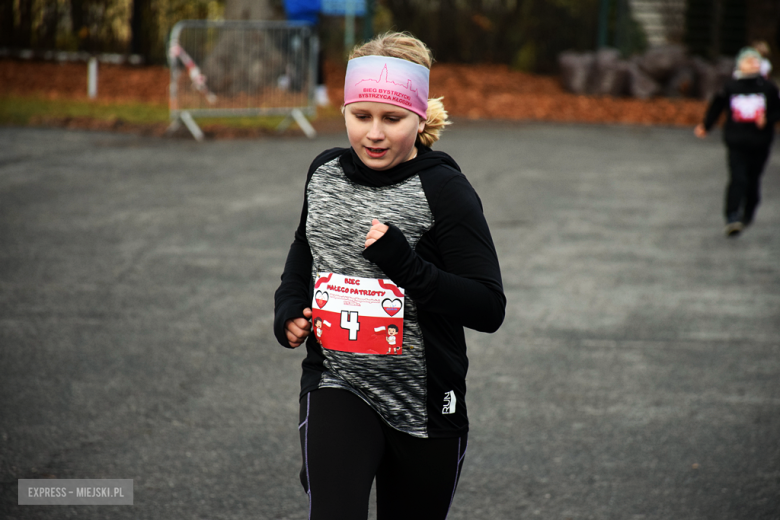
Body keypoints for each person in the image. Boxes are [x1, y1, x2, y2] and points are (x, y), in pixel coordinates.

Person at [273, 31, 506, 520]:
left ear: (419, 118)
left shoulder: (445, 189)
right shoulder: (324, 174)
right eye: (361, 116)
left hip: (424, 402)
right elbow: (305, 246)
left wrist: (406, 265)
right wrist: (289, 305)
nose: (374, 134)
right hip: (338, 380)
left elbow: (488, 307)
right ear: (344, 113)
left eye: (392, 119)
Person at [694, 47, 780, 237]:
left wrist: (768, 119)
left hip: (760, 142)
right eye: (747, 61)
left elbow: (777, 109)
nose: (751, 64)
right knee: (737, 178)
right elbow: (717, 106)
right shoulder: (731, 86)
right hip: (736, 141)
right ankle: (732, 216)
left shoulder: (768, 87)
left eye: (754, 61)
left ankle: (748, 212)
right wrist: (706, 126)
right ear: (739, 64)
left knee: (753, 180)